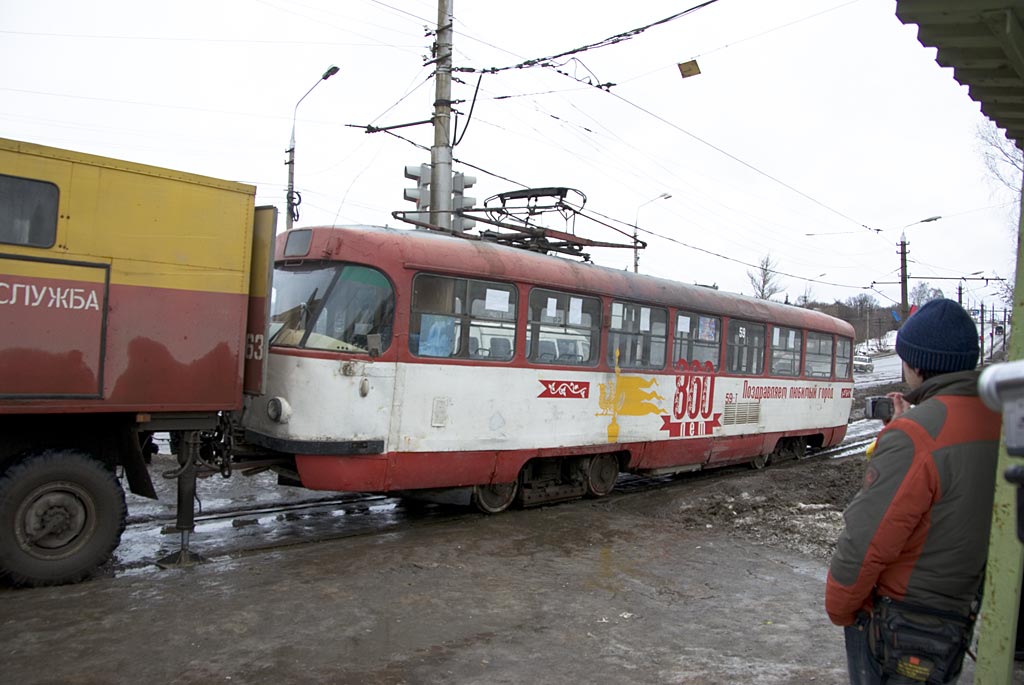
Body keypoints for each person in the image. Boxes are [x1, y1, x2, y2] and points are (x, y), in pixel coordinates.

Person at [826, 298, 1002, 684]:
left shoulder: (916, 435)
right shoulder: (1001, 421)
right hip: (958, 612)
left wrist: (841, 609)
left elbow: (867, 538)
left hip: (904, 620)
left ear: (916, 364)